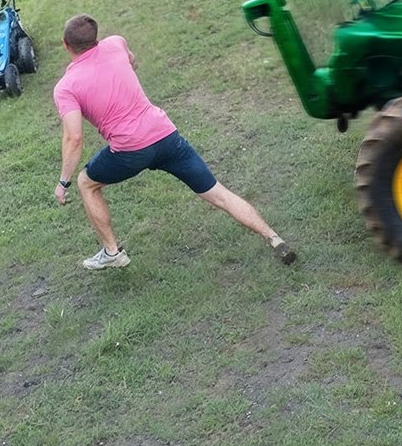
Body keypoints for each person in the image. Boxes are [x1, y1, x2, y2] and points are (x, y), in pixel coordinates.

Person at [53, 14, 295, 270]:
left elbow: (74, 136)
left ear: (65, 44)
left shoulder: (66, 87)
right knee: (218, 193)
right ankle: (274, 238)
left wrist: (63, 182)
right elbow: (131, 63)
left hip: (130, 150)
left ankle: (112, 252)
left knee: (86, 183)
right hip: (165, 135)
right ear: (96, 37)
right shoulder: (115, 44)